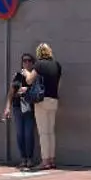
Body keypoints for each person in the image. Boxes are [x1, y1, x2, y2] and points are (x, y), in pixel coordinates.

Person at [3, 53, 38, 171]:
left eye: (29, 61)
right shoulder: (18, 75)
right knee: (19, 133)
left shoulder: (35, 75)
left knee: (28, 133)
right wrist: (7, 108)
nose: (26, 63)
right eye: (24, 61)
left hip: (30, 107)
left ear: (33, 63)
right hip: (18, 107)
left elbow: (39, 89)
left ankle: (30, 158)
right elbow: (11, 92)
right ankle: (23, 158)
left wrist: (27, 89)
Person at [31, 42, 62, 170]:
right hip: (53, 100)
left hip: (42, 100)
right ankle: (52, 160)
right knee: (50, 132)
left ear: (39, 53)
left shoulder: (39, 64)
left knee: (43, 133)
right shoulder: (57, 65)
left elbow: (29, 79)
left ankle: (45, 161)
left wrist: (25, 72)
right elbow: (58, 83)